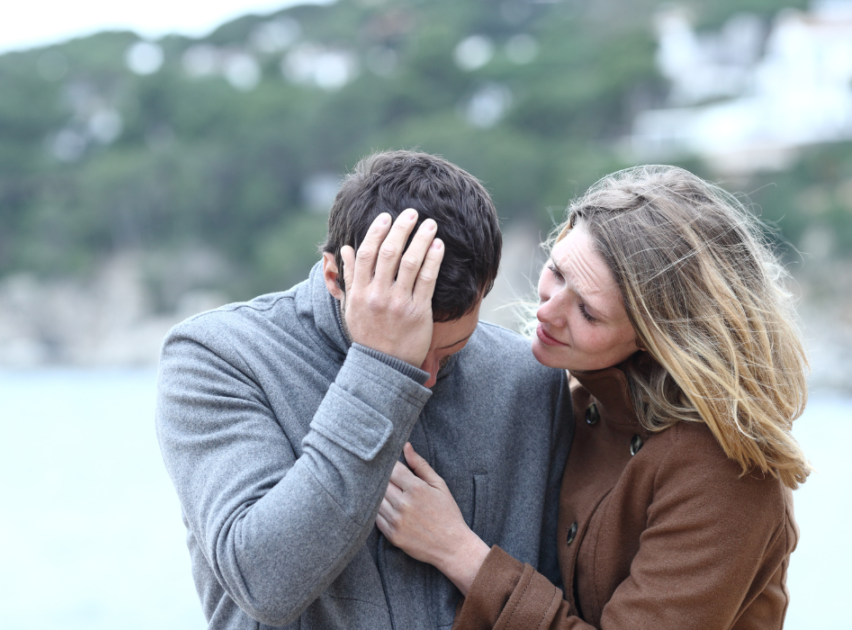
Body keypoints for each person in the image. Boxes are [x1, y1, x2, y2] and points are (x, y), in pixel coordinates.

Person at [374, 165, 810, 629]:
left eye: (588, 311)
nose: (547, 310)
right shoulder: (569, 392)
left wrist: (454, 549)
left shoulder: (725, 471)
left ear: (659, 337)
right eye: (557, 271)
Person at [155, 150, 573, 630]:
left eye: (452, 349)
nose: (429, 378)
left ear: (486, 288)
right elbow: (264, 585)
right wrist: (381, 368)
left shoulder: (529, 377)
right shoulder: (218, 357)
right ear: (335, 276)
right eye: (416, 357)